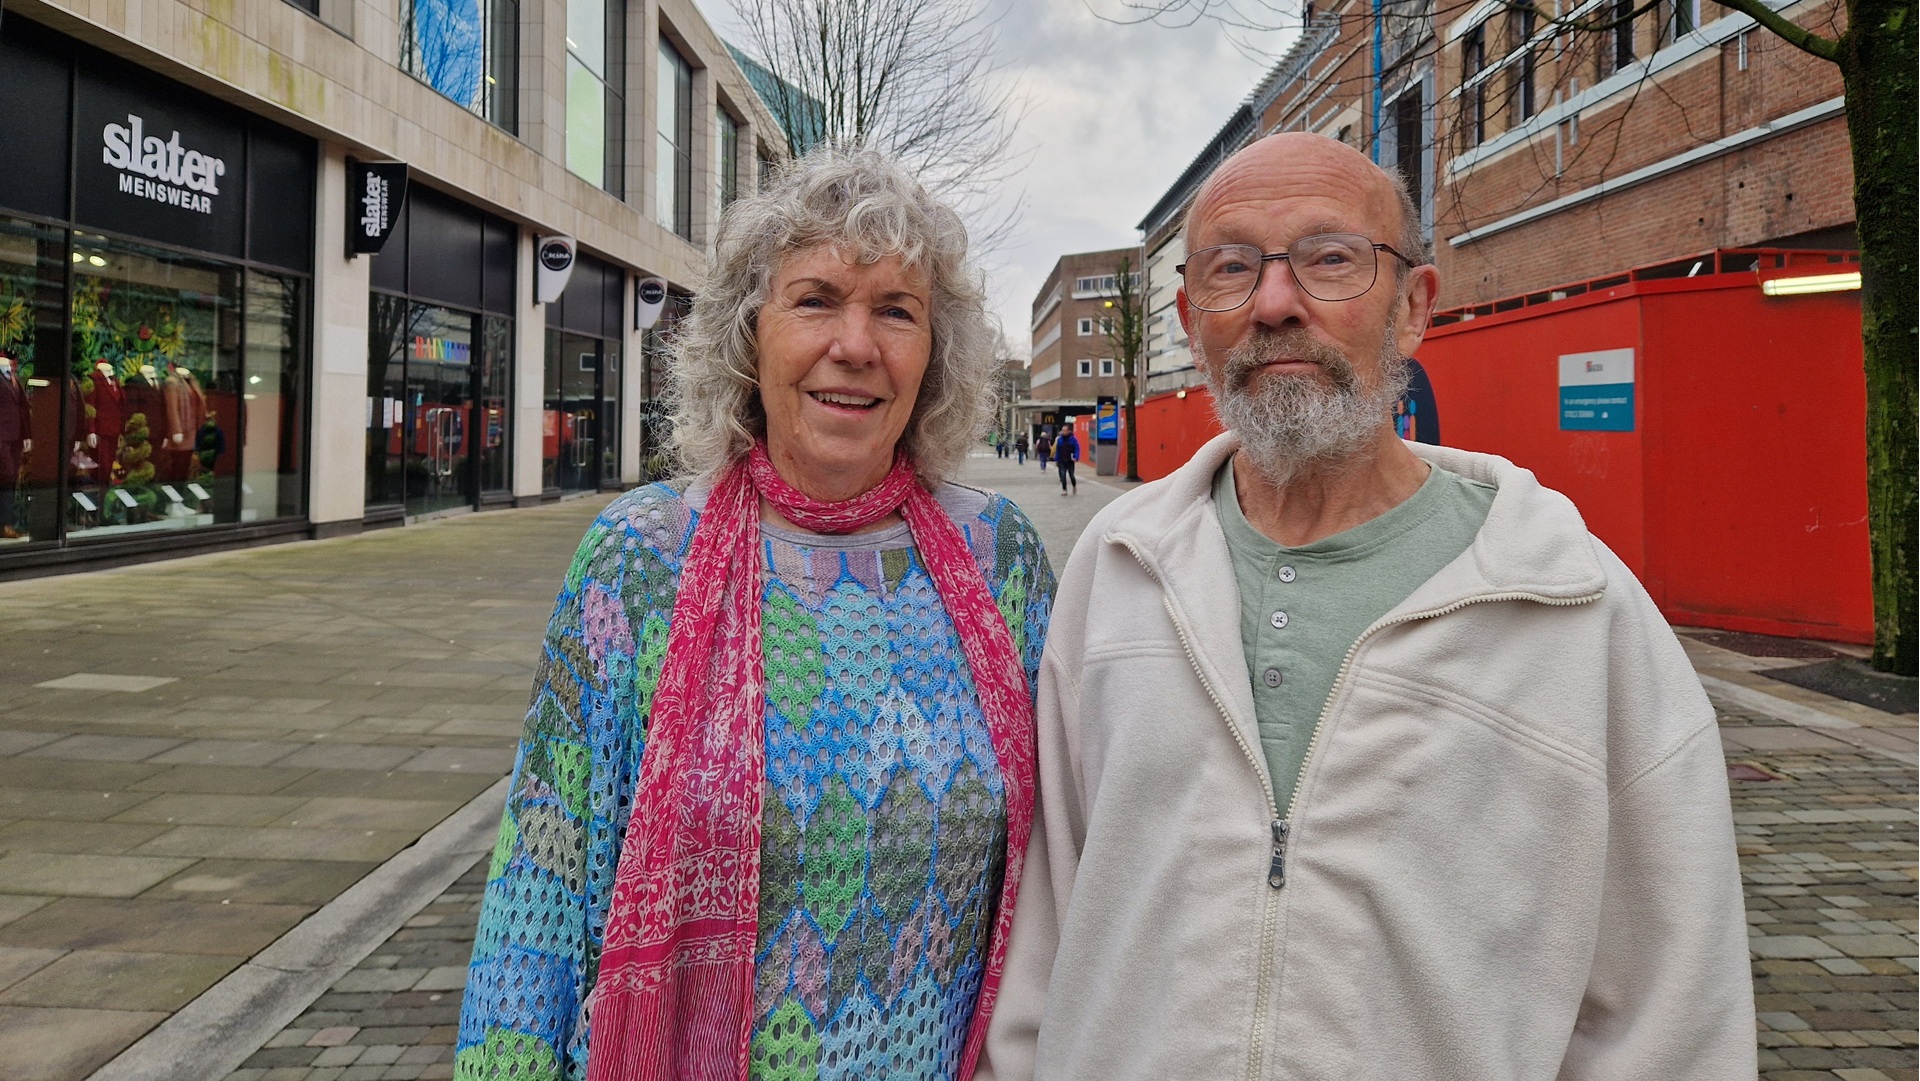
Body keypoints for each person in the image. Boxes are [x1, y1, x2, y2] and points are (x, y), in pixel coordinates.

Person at [980, 132, 1755, 1080]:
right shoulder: (1116, 567)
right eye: (1232, 269)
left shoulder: (1573, 607)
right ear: (1191, 318)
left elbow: (1672, 1009)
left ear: (1414, 307)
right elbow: (1051, 913)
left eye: (1330, 259)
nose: (1274, 303)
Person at [458, 145, 1057, 1081]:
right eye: (815, 298)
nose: (854, 345)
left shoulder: (1000, 561)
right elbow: (542, 884)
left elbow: (1064, 876)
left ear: (934, 353)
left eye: (895, 310)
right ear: (749, 333)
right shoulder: (641, 559)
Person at [1051, 427, 1079, 495]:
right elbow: (1058, 450)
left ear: (1068, 431)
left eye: (1065, 430)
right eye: (1062, 430)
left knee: (1071, 475)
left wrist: (1076, 457)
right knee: (1063, 476)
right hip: (1062, 460)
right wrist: (1056, 459)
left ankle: (1074, 485)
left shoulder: (1073, 439)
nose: (1063, 432)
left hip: (1070, 460)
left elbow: (1077, 449)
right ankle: (1064, 489)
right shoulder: (1060, 439)